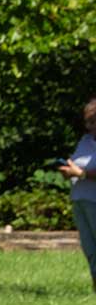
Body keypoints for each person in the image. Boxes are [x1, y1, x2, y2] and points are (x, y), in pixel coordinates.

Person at [61, 97, 96, 293]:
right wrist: (68, 170)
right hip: (80, 200)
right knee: (90, 249)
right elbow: (76, 165)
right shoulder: (85, 141)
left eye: (93, 121)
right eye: (87, 121)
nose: (88, 126)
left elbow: (82, 171)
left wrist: (81, 174)